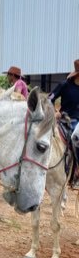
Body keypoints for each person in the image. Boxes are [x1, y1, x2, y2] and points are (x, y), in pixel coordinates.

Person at [49, 59, 79, 187]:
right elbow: (50, 98)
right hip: (66, 120)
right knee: (74, 138)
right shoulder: (64, 85)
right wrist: (55, 111)